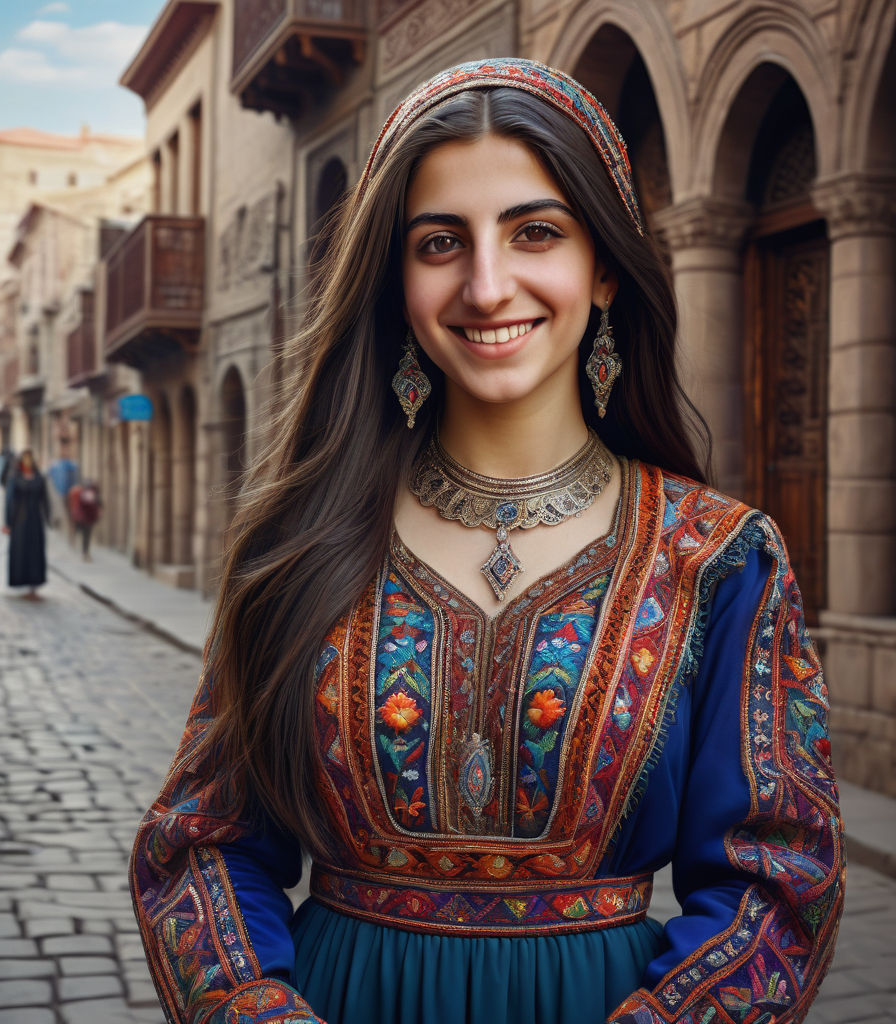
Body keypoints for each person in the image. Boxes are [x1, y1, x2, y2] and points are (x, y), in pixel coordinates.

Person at [130, 59, 843, 1024]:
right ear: (394, 281)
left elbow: (780, 879)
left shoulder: (718, 559)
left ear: (602, 270)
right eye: (438, 242)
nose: (487, 282)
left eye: (535, 231)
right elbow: (200, 841)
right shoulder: (298, 543)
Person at [3, 449, 49, 598]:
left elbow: (45, 499)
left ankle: (34, 583)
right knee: (21, 551)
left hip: (35, 520)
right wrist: (8, 522)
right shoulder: (15, 478)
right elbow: (9, 500)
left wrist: (48, 517)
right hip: (20, 521)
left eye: (30, 458)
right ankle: (21, 579)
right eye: (25, 459)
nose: (28, 462)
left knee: (35, 551)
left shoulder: (39, 478)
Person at [67, 478, 101, 561]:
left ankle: (84, 552)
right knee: (86, 535)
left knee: (85, 535)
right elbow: (90, 505)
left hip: (84, 517)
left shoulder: (80, 492)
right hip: (85, 517)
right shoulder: (86, 493)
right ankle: (85, 553)